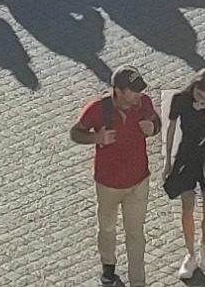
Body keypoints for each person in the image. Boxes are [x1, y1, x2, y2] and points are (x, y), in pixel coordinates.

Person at [75, 67, 161, 287]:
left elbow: (156, 122)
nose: (139, 95)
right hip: (108, 184)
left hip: (139, 182)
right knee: (107, 227)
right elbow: (76, 132)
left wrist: (153, 127)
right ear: (119, 91)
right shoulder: (98, 109)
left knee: (135, 234)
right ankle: (108, 269)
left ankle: (138, 282)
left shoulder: (144, 104)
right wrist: (97, 137)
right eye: (134, 91)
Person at [159, 70, 205, 284]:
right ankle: (190, 254)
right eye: (198, 94)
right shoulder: (180, 99)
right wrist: (168, 161)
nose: (200, 99)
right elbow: (171, 128)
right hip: (186, 154)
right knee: (187, 206)